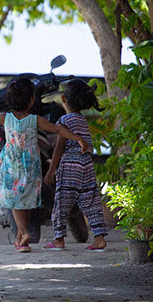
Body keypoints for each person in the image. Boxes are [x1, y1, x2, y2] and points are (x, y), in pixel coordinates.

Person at [0, 77, 91, 252]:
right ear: (32, 101)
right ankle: (21, 238)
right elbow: (57, 129)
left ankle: (23, 232)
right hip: (30, 166)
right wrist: (77, 138)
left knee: (13, 200)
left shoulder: (4, 118)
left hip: (11, 165)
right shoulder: (35, 119)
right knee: (26, 199)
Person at [43, 78, 108, 251]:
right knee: (91, 201)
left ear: (63, 99)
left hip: (70, 166)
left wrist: (51, 170)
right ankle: (99, 238)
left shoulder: (64, 120)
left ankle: (58, 239)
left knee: (61, 202)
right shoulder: (82, 120)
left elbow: (59, 147)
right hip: (86, 165)